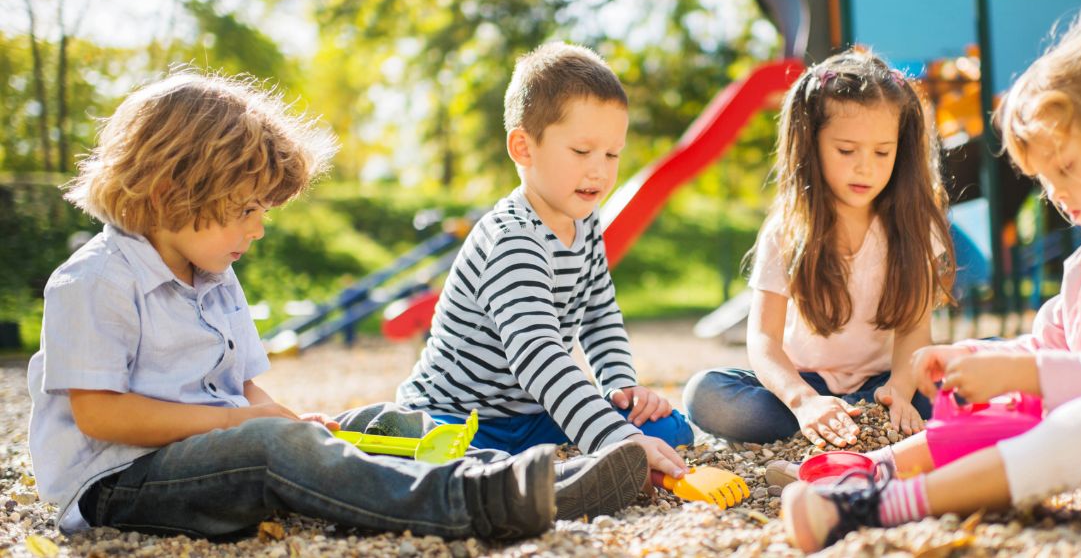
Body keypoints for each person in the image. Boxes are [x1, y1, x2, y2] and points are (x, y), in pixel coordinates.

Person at [26, 71, 646, 540]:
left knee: (370, 422)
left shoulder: (214, 275)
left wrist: (293, 420)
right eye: (248, 210)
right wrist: (249, 428)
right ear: (167, 194)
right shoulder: (96, 280)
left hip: (219, 451)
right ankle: (479, 504)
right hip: (122, 483)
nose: (259, 229)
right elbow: (101, 415)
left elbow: (245, 393)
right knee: (274, 451)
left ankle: (521, 475)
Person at [779, 8, 1081, 552]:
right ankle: (873, 468)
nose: (1055, 194)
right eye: (1045, 178)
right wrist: (974, 356)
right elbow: (1049, 346)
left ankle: (880, 506)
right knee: (1007, 395)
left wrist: (1023, 368)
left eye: (1067, 169)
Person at [396, 42, 691, 479]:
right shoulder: (513, 239)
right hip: (455, 416)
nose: (600, 171)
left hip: (533, 414)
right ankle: (517, 477)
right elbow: (539, 356)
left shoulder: (585, 224)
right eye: (581, 152)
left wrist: (620, 386)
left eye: (612, 154)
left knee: (670, 428)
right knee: (453, 468)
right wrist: (618, 439)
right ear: (523, 148)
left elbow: (599, 315)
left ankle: (542, 467)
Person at [682, 50, 956, 450]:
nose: (866, 167)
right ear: (811, 145)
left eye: (883, 152)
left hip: (888, 384)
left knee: (988, 365)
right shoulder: (787, 230)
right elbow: (763, 340)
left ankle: (863, 415)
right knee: (705, 393)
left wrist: (899, 389)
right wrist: (804, 401)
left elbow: (915, 330)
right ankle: (834, 419)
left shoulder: (915, 225)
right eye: (847, 151)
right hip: (804, 384)